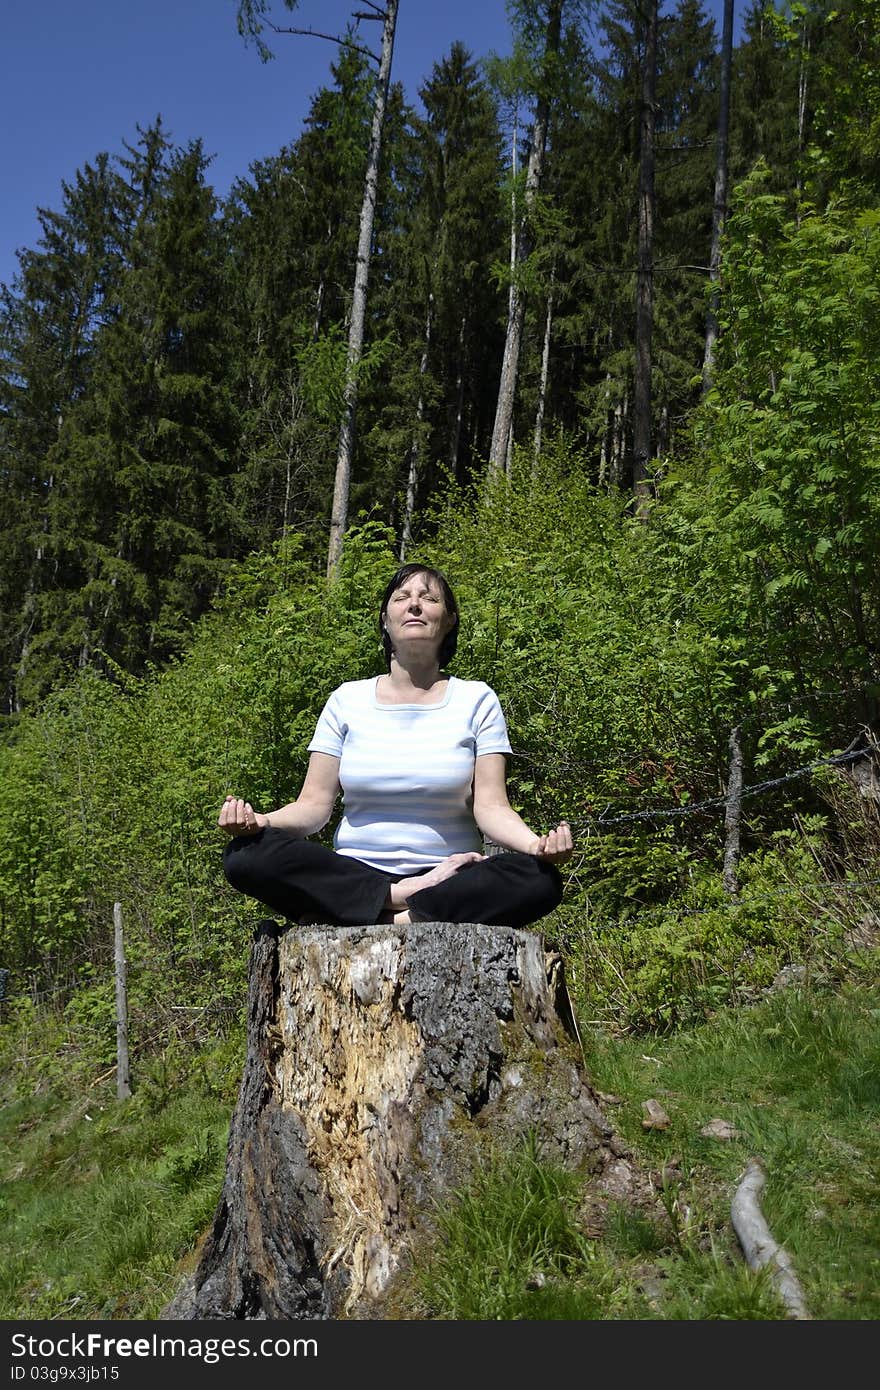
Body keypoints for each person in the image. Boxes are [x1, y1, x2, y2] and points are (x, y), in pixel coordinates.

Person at [219, 563, 573, 929]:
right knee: (245, 856)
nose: (414, 605)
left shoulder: (476, 699)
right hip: (352, 871)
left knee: (539, 879)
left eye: (429, 598)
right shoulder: (347, 700)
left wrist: (536, 846)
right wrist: (261, 822)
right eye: (402, 597)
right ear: (385, 620)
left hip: (449, 874)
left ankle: (389, 916)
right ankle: (400, 899)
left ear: (449, 620)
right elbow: (313, 807)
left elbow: (492, 808)